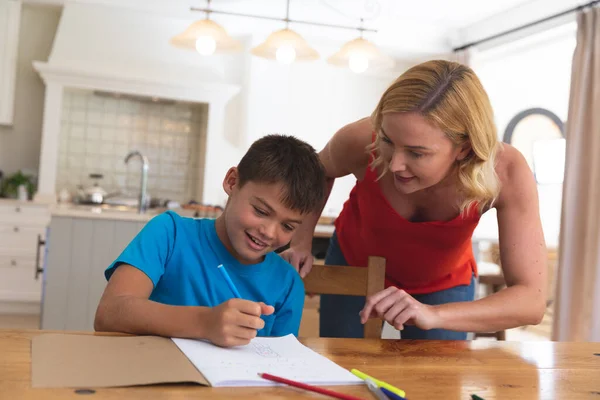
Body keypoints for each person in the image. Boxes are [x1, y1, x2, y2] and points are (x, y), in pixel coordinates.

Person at [281, 60, 547, 340]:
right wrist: (301, 241)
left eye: (416, 153)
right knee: (342, 373)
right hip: (354, 263)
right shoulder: (361, 138)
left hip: (443, 282)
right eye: (387, 141)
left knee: (432, 382)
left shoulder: (506, 171)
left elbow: (532, 300)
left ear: (464, 148)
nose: (395, 164)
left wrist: (434, 314)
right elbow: (317, 172)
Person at [94, 134, 327, 347]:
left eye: (287, 226)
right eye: (260, 211)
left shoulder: (287, 285)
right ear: (232, 182)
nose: (269, 232)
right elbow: (110, 313)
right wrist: (205, 323)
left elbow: (278, 367)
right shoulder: (169, 233)